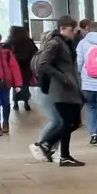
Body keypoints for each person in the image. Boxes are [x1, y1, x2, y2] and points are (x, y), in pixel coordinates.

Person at [31, 17, 85, 166]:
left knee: (74, 122)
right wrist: (62, 77)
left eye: (74, 29)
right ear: (62, 28)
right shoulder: (55, 43)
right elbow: (43, 64)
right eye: (71, 29)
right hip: (62, 90)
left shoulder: (66, 43)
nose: (74, 32)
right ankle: (63, 155)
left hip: (71, 88)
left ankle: (47, 144)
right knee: (67, 122)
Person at [7, 25, 37, 112]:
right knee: (25, 85)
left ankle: (15, 103)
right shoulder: (28, 41)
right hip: (26, 66)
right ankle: (26, 103)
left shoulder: (10, 42)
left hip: (14, 67)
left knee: (16, 85)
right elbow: (35, 52)